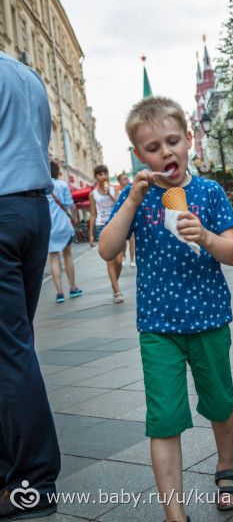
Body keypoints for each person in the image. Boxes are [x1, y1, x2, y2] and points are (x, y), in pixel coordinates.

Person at [99, 96, 233, 522]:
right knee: (163, 418)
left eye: (173, 141)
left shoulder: (209, 192)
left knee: (220, 401)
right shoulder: (136, 196)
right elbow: (108, 248)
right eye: (153, 147)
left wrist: (206, 237)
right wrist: (130, 200)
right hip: (158, 328)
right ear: (138, 155)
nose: (166, 152)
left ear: (189, 141)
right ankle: (174, 513)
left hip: (209, 319)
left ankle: (226, 466)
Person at [0, 52, 60, 519]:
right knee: (16, 342)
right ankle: (16, 468)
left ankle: (32, 481)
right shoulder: (27, 75)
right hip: (33, 211)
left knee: (10, 346)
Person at [48, 160, 82, 302]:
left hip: (49, 227)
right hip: (63, 225)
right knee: (67, 256)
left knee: (53, 258)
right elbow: (69, 204)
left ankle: (59, 293)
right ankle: (73, 288)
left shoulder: (40, 187)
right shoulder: (62, 185)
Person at [89, 165, 124, 303]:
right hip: (101, 226)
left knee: (119, 260)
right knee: (110, 260)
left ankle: (114, 283)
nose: (103, 176)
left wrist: (108, 192)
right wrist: (91, 234)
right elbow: (92, 214)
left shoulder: (114, 189)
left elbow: (118, 204)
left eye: (105, 173)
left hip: (115, 224)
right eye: (100, 174)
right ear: (96, 177)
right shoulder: (93, 194)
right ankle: (117, 291)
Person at [117, 171, 135, 267]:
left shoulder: (132, 190)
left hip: (132, 217)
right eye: (124, 179)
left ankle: (132, 260)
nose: (127, 180)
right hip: (122, 218)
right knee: (123, 241)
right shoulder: (118, 192)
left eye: (127, 178)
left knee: (132, 239)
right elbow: (116, 204)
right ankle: (124, 256)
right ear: (119, 182)